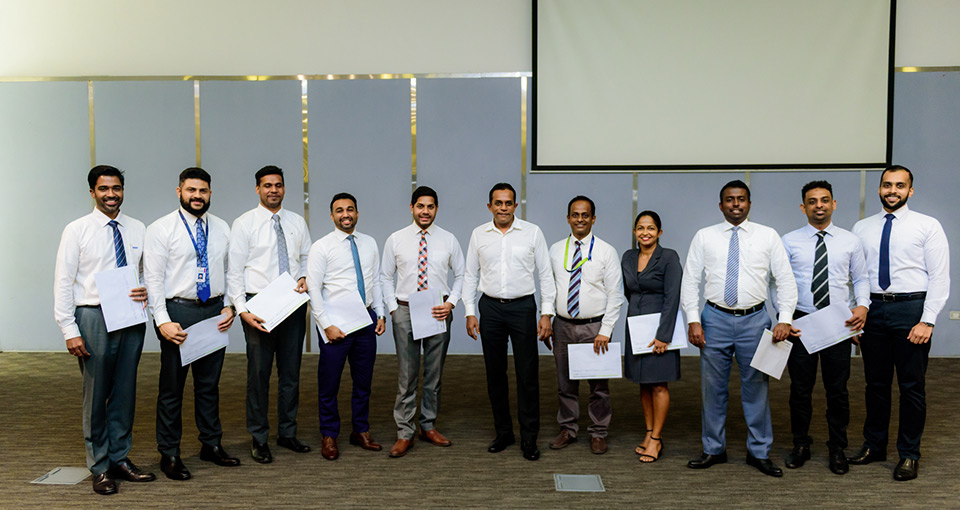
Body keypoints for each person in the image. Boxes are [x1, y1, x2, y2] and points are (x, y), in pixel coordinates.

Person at [681, 180, 797, 477]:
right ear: (721, 205)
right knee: (712, 389)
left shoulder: (768, 236)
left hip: (755, 320)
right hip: (714, 319)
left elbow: (784, 279)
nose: (736, 204)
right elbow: (690, 280)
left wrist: (784, 318)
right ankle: (713, 449)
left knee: (756, 388)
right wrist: (693, 320)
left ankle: (759, 452)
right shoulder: (704, 236)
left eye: (741, 199)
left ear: (749, 203)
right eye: (730, 200)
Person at [53, 165, 155, 495]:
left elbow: (147, 273)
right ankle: (99, 466)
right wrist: (69, 329)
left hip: (130, 317)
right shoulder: (77, 230)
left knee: (125, 391)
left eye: (116, 188)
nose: (111, 194)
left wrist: (146, 290)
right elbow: (64, 281)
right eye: (103, 189)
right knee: (96, 395)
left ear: (123, 190)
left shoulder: (138, 228)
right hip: (93, 316)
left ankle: (120, 458)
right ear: (92, 192)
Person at [849, 165, 950, 481]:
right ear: (879, 188)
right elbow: (858, 276)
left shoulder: (927, 225)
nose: (892, 190)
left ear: (910, 190)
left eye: (899, 185)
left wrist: (927, 321)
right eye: (887, 185)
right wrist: (858, 315)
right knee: (875, 385)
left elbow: (939, 277)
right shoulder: (861, 227)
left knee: (911, 387)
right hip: (874, 310)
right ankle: (874, 446)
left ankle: (909, 454)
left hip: (911, 310)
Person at [144, 167, 238, 480]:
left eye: (203, 191)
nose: (197, 196)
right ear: (179, 191)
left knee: (209, 385)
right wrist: (162, 321)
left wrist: (230, 306)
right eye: (191, 190)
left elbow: (232, 271)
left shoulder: (222, 227)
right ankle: (169, 452)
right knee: (172, 388)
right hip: (178, 313)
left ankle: (211, 444)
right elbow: (153, 279)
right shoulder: (161, 228)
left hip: (214, 312)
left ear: (210, 193)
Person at [781, 180, 869, 475]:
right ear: (803, 207)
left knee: (837, 391)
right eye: (812, 201)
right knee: (800, 390)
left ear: (834, 204)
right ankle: (800, 445)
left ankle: (837, 448)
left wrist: (862, 306)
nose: (819, 205)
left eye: (824, 200)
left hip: (837, 323)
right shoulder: (789, 241)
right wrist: (784, 318)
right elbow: (778, 282)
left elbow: (861, 279)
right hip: (801, 323)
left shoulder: (850, 241)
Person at [463, 183, 555, 461]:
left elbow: (546, 275)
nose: (503, 208)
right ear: (489, 206)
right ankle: (504, 433)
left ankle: (529, 437)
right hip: (490, 308)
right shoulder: (479, 234)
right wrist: (470, 311)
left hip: (522, 308)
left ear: (516, 205)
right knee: (495, 374)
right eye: (498, 203)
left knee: (527, 375)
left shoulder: (532, 232)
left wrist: (546, 313)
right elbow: (470, 275)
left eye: (508, 203)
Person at [227, 165, 313, 463]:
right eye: (267, 185)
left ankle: (287, 433)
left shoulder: (297, 222)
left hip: (292, 303)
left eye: (278, 185)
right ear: (257, 189)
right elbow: (234, 271)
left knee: (291, 373)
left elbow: (307, 258)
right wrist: (242, 310)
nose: (273, 190)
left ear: (284, 188)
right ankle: (259, 437)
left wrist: (305, 277)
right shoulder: (244, 224)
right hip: (258, 306)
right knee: (259, 374)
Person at [381, 186, 465, 458]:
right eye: (420, 206)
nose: (425, 211)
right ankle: (405, 432)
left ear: (436, 209)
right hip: (405, 310)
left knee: (433, 374)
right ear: (411, 207)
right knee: (407, 376)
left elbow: (462, 275)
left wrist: (451, 303)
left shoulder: (449, 239)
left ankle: (428, 425)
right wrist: (393, 309)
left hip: (437, 310)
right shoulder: (396, 239)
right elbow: (385, 276)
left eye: (430, 206)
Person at [307, 192, 386, 461]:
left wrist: (380, 314)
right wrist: (326, 325)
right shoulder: (322, 247)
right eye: (339, 210)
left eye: (350, 209)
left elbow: (375, 280)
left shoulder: (369, 243)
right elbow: (314, 290)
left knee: (363, 382)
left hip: (365, 321)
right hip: (336, 325)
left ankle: (360, 430)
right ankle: (329, 434)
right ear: (332, 216)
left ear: (357, 213)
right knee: (329, 383)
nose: (345, 215)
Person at [547, 196, 622, 455]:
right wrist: (547, 317)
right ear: (568, 218)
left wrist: (606, 330)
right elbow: (549, 289)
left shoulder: (606, 251)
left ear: (593, 218)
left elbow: (616, 295)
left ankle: (598, 432)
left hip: (594, 328)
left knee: (598, 386)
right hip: (563, 326)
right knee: (565, 383)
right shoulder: (556, 250)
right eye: (575, 214)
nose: (580, 219)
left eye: (585, 215)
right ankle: (568, 429)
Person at [622, 210, 682, 463]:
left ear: (659, 232)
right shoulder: (628, 257)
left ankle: (656, 438)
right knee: (643, 382)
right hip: (636, 326)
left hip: (660, 329)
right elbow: (628, 292)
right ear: (634, 231)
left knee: (659, 384)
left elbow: (672, 297)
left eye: (650, 228)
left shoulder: (669, 257)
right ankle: (648, 432)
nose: (645, 232)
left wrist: (663, 335)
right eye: (640, 228)